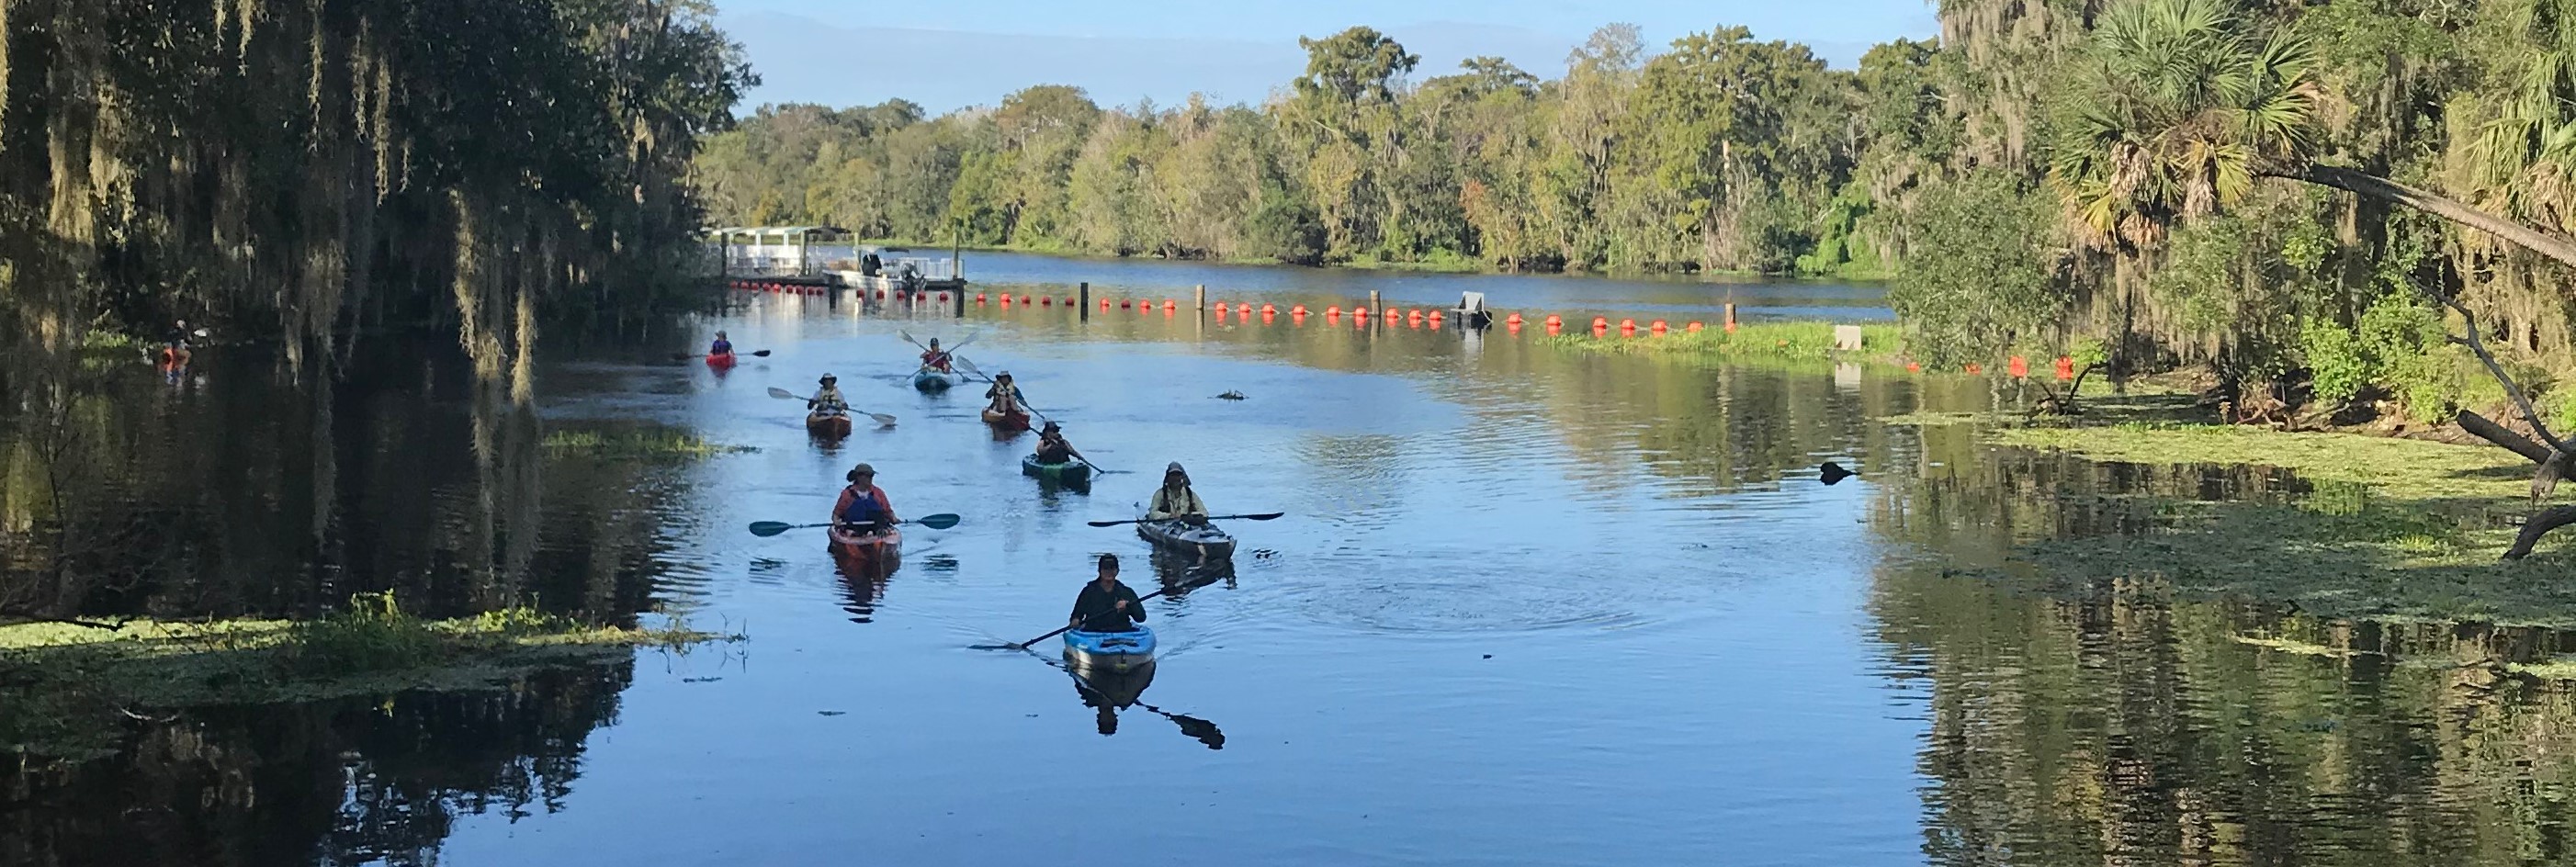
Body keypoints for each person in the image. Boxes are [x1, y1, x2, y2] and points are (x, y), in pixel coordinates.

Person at [1068, 554, 1145, 634]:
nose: (1109, 572)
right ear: (1099, 571)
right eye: (1105, 568)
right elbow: (1076, 616)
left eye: (1112, 568)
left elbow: (1141, 618)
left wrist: (1128, 605)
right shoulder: (1088, 592)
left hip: (1122, 633)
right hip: (1093, 634)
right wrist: (1075, 621)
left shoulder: (1127, 592)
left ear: (1117, 571)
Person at [833, 463, 898, 535]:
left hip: (876, 528)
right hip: (853, 528)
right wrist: (836, 521)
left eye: (871, 476)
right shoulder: (847, 494)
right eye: (868, 476)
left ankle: (875, 534)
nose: (871, 479)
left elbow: (888, 511)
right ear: (858, 477)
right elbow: (837, 514)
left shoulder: (878, 493)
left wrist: (893, 518)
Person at [1145, 462, 1209, 525]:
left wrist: (1189, 517)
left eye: (1178, 475)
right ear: (1168, 478)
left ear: (1182, 477)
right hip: (1166, 526)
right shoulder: (1160, 494)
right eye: (1172, 475)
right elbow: (1152, 514)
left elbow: (1204, 513)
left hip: (1187, 527)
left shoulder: (1190, 494)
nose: (1175, 478)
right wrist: (1169, 516)